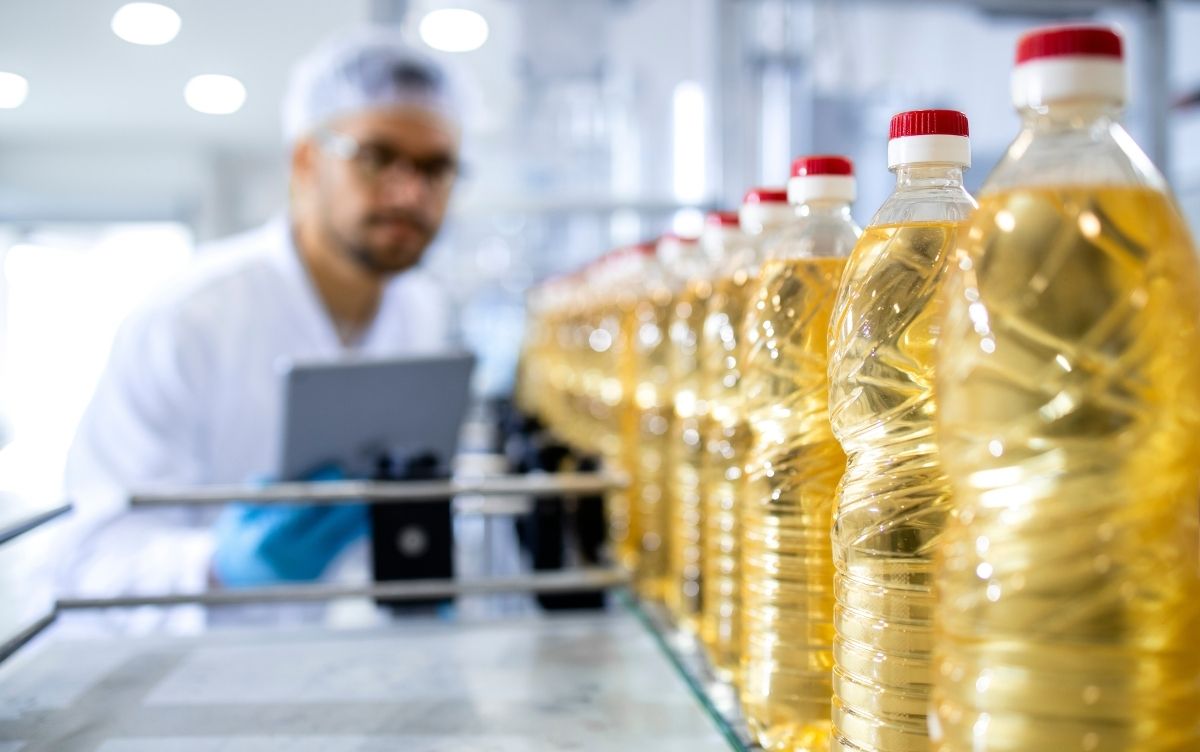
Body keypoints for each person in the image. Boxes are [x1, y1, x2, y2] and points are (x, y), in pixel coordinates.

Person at [60, 28, 465, 602]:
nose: (408, 194)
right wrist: (220, 566)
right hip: (197, 672)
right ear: (305, 161)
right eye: (376, 158)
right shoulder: (187, 318)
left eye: (435, 168)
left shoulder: (422, 308)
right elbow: (86, 561)